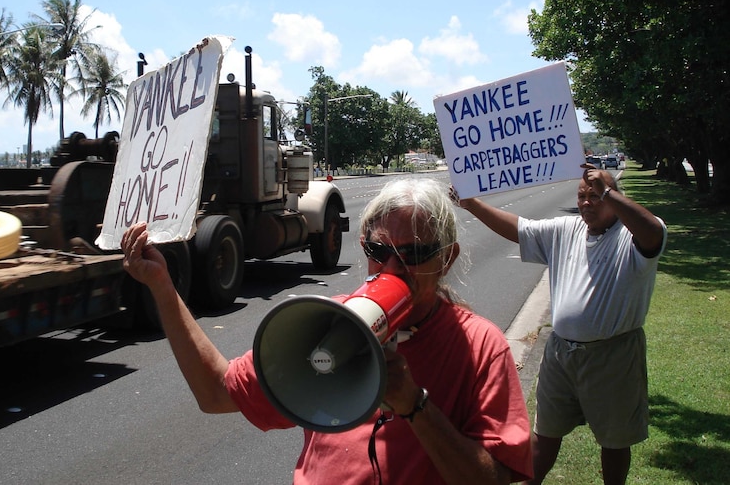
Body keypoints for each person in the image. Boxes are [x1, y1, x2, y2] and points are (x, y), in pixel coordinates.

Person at [121, 177, 532, 484]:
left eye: (415, 254)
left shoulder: (480, 346)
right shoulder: (327, 322)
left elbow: (496, 479)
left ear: (446, 259)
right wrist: (163, 287)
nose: (392, 269)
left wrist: (415, 407)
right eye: (378, 251)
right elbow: (216, 394)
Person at [453, 166, 666, 485]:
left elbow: (654, 231)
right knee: (544, 433)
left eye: (596, 196)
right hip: (560, 353)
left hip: (613, 355)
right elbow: (520, 230)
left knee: (614, 439)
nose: (587, 203)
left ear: (616, 197)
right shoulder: (567, 230)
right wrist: (472, 204)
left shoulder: (630, 236)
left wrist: (609, 193)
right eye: (582, 196)